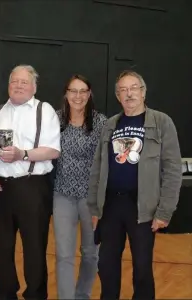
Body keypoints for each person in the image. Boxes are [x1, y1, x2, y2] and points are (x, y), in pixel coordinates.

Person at [87, 70, 182, 299]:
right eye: (122, 90)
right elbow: (98, 168)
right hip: (110, 205)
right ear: (118, 96)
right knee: (107, 266)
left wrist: (164, 211)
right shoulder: (110, 125)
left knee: (141, 268)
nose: (128, 94)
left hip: (143, 208)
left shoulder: (161, 122)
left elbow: (172, 169)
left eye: (133, 88)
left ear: (143, 92)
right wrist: (94, 208)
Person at [0, 65, 61, 300]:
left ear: (34, 87)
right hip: (1, 189)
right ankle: (5, 292)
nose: (18, 85)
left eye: (24, 82)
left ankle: (36, 294)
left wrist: (22, 154)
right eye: (14, 81)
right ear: (8, 85)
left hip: (32, 187)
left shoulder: (44, 111)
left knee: (35, 247)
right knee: (2, 247)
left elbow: (53, 151)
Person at [53, 75, 107, 299]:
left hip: (90, 197)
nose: (77, 96)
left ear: (89, 94)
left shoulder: (101, 123)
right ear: (66, 93)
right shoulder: (54, 120)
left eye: (82, 91)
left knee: (90, 253)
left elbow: (106, 162)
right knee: (64, 254)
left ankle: (82, 295)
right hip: (62, 195)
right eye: (73, 91)